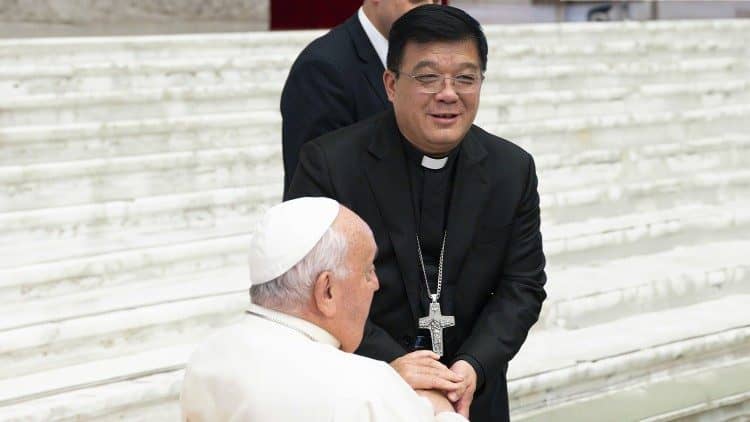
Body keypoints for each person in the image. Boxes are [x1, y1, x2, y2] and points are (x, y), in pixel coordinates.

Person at [286, 5, 547, 422]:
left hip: (472, 398)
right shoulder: (330, 166)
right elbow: (308, 289)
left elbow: (524, 285)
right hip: (364, 391)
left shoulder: (510, 169)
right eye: (427, 77)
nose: (449, 93)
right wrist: (392, 362)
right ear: (390, 84)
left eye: (466, 78)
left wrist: (473, 366)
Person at [180, 197, 468, 422]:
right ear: (326, 290)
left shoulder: (209, 355)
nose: (376, 284)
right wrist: (442, 409)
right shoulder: (367, 387)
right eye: (367, 270)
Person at [280, 0, 436, 195]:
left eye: (436, 1)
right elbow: (315, 187)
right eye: (416, 0)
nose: (429, 8)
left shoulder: (427, 61)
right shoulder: (321, 68)